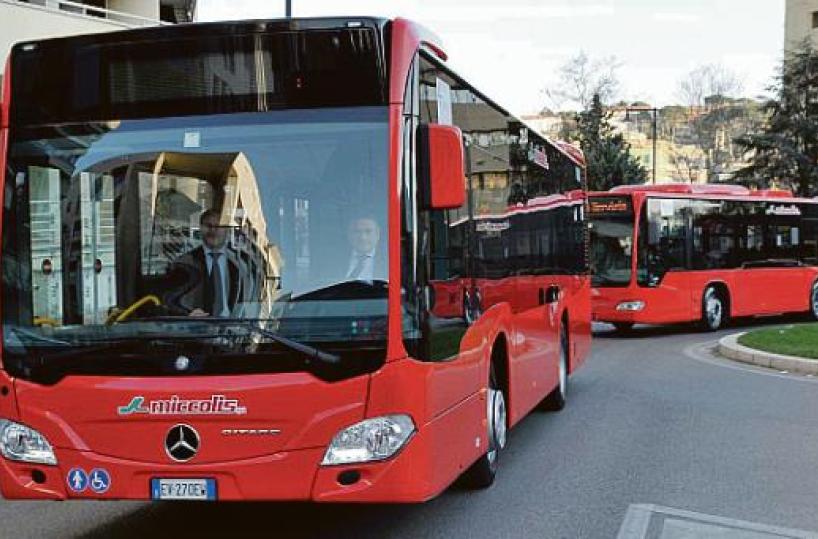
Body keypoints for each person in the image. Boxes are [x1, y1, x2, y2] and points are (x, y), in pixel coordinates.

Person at [164, 209, 242, 317]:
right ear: (200, 228)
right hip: (197, 331)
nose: (213, 230)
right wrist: (188, 314)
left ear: (227, 229)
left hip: (233, 330)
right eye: (208, 226)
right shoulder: (183, 264)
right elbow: (169, 302)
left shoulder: (238, 266)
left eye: (218, 226)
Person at [345, 217, 382, 282]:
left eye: (368, 231)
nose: (363, 237)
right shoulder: (334, 259)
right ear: (349, 235)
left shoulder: (389, 260)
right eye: (357, 232)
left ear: (377, 234)